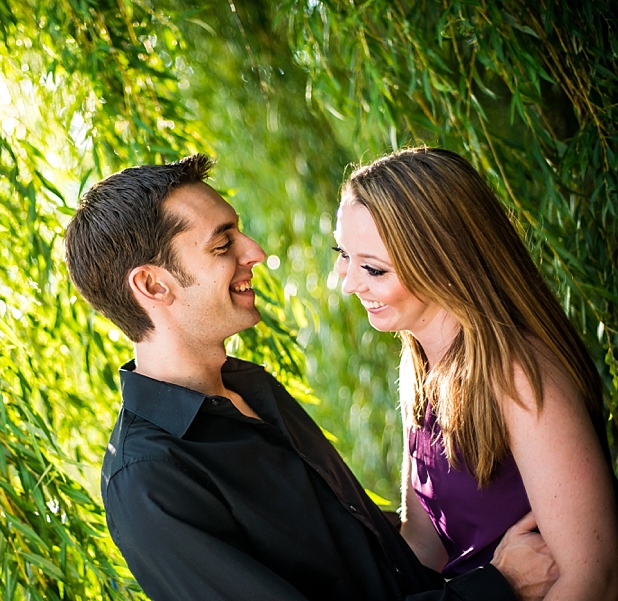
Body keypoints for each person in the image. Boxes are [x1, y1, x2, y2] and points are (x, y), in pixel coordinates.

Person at [64, 153, 557, 601]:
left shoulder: (251, 388)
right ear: (153, 284)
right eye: (222, 244)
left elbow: (365, 559)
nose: (254, 251)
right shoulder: (149, 480)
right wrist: (497, 588)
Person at [332, 147, 618, 599]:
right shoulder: (421, 366)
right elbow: (426, 549)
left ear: (443, 259)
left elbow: (596, 580)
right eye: (343, 254)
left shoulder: (517, 374)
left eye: (373, 268)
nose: (348, 282)